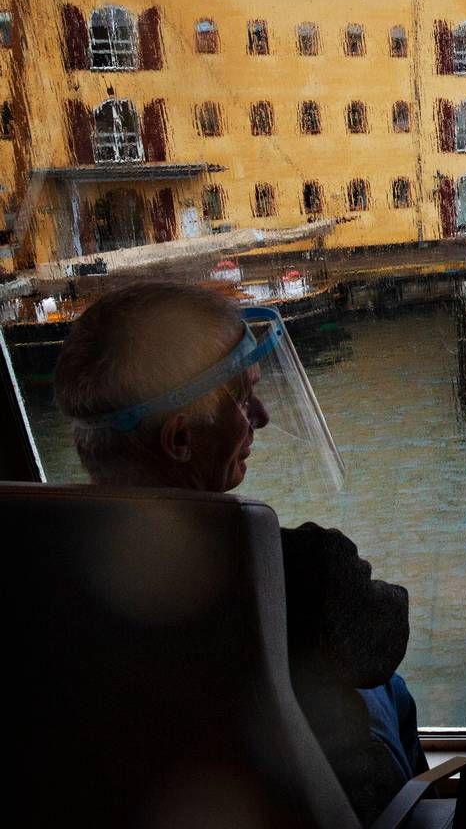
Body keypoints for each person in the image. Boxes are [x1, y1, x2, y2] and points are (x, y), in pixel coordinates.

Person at [52, 280, 425, 825]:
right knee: (387, 688)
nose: (262, 415)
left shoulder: (39, 568)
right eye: (242, 398)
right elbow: (386, 637)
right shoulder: (293, 570)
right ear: (180, 440)